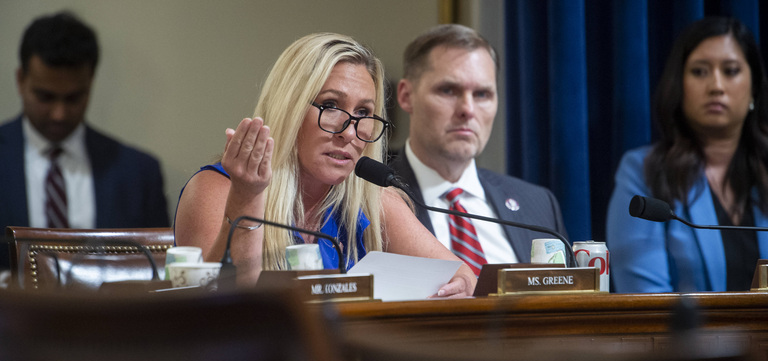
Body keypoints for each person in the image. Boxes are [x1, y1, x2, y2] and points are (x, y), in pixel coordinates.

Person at [174, 32, 476, 296]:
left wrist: (455, 288)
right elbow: (226, 306)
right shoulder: (218, 189)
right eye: (331, 106)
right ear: (288, 109)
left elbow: (462, 276)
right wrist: (248, 196)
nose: (349, 132)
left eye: (363, 112)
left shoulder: (373, 200)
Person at [388, 24, 568, 275]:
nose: (468, 109)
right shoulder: (372, 197)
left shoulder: (537, 203)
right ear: (407, 96)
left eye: (482, 94)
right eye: (448, 90)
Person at [606, 16, 768, 293]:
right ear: (679, 86)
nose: (716, 86)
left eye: (730, 71)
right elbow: (646, 303)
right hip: (682, 337)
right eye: (700, 71)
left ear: (753, 87)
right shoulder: (644, 172)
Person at [0, 11, 169, 270]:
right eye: (45, 97)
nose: (59, 114)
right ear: (21, 80)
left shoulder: (139, 174)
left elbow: (158, 272)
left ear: (90, 83)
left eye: (73, 98)